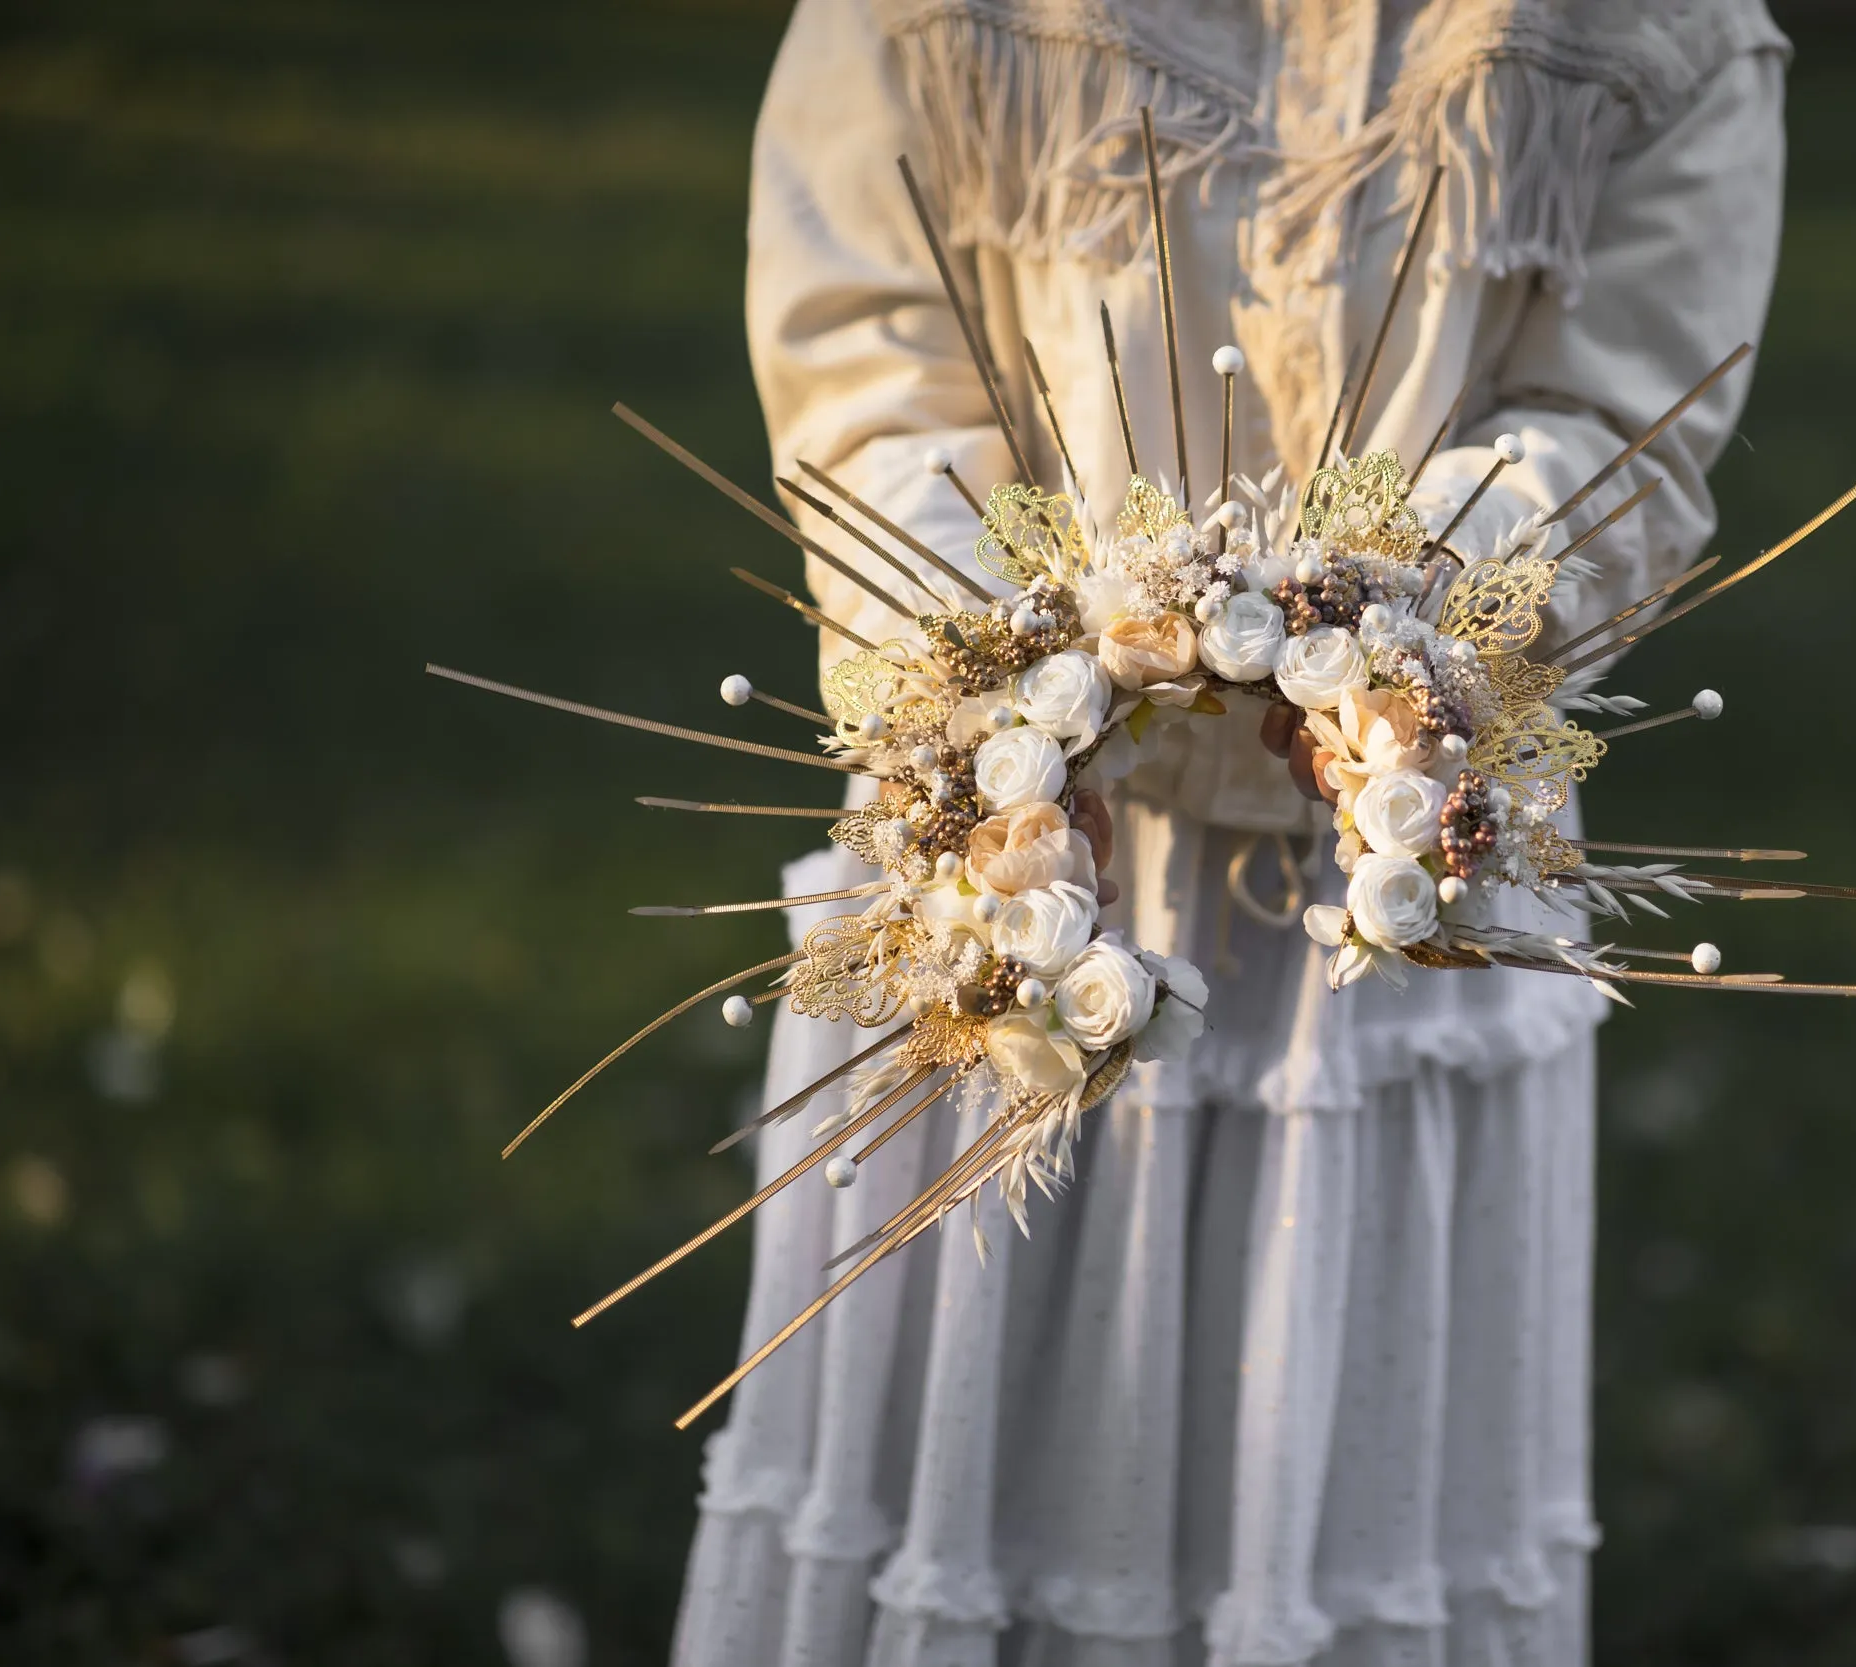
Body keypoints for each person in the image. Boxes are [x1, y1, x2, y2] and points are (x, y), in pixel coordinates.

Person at [673, 1, 1786, 1661]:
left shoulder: (1648, 30)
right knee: (964, 1444)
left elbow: (1624, 412)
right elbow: (867, 333)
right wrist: (1000, 699)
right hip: (1015, 858)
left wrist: (1402, 644)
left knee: (1339, 1482)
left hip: (1397, 881)